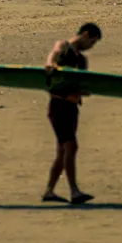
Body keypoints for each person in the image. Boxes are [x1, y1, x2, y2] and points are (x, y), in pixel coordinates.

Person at [42, 22, 102, 205]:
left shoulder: (82, 61)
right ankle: (74, 191)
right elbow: (52, 56)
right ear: (85, 34)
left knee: (63, 151)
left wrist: (84, 92)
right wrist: (50, 65)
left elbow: (80, 85)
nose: (91, 47)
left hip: (72, 109)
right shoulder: (63, 46)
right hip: (58, 106)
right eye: (92, 42)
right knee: (71, 147)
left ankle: (49, 192)